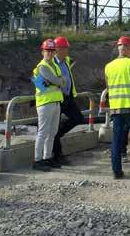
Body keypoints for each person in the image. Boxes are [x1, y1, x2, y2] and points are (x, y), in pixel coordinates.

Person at [105, 36, 130, 180]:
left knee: (116, 140)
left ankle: (116, 171)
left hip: (116, 109)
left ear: (119, 48)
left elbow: (109, 87)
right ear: (128, 49)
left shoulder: (108, 66)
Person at [32, 39, 66, 171]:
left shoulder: (55, 66)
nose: (50, 53)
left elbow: (62, 82)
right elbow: (57, 80)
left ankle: (47, 158)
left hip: (56, 101)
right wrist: (56, 81)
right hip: (45, 103)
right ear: (43, 52)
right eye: (48, 51)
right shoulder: (42, 67)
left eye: (52, 51)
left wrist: (55, 81)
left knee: (52, 132)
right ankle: (37, 160)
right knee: (43, 132)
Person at [52, 36, 84, 165]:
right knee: (53, 128)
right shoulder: (50, 63)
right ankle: (57, 155)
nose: (67, 50)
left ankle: (58, 133)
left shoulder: (66, 61)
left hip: (68, 97)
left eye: (67, 48)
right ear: (57, 49)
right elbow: (36, 78)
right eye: (64, 48)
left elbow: (73, 62)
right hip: (57, 98)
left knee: (78, 118)